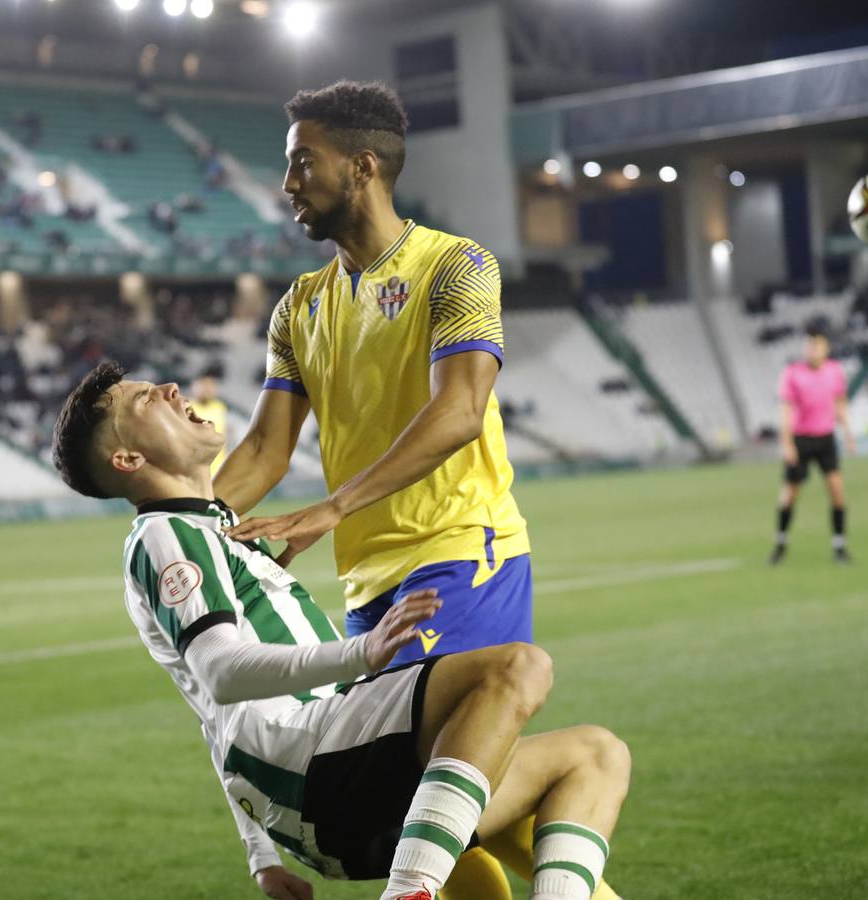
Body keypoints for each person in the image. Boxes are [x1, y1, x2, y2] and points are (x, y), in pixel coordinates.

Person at [213, 80, 622, 900]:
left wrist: (332, 507)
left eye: (303, 163)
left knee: (426, 798)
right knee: (452, 805)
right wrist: (184, 520)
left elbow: (460, 411)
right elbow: (263, 446)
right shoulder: (300, 307)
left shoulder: (456, 266)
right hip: (367, 596)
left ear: (362, 167)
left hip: (461, 555)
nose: (288, 182)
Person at [50, 362, 631, 900]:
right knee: (516, 668)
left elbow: (209, 710)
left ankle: (423, 878)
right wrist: (364, 651)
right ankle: (409, 889)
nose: (171, 389)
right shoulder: (167, 533)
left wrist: (259, 855)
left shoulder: (212, 532)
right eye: (146, 399)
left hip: (334, 786)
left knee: (597, 756)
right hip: (315, 761)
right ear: (127, 459)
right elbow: (220, 673)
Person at [770, 320, 856, 565]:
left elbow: (840, 403)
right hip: (801, 439)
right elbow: (785, 410)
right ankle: (780, 544)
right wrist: (787, 443)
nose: (812, 349)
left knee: (837, 491)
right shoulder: (793, 373)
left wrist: (848, 434)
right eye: (808, 345)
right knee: (790, 494)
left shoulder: (834, 371)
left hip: (825, 438)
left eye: (816, 345)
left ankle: (839, 546)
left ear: (825, 347)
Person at [189, 369, 231, 474]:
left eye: (211, 386)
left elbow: (223, 434)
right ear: (194, 386)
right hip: (192, 469)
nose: (207, 389)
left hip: (216, 468)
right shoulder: (186, 407)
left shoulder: (219, 407)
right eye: (204, 385)